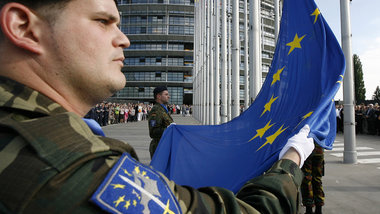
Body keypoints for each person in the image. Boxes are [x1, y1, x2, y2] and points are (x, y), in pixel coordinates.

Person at [0, 0, 314, 213]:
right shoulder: (68, 169)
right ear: (24, 27)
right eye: (103, 21)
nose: (124, 39)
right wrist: (292, 158)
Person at [148, 86, 174, 158]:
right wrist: (169, 129)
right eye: (166, 94)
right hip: (159, 148)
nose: (168, 96)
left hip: (164, 147)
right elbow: (153, 132)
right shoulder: (156, 110)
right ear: (159, 96)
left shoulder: (163, 109)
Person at [301, 142, 325, 214]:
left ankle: (309, 209)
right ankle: (319, 209)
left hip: (307, 149)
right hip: (319, 149)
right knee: (317, 179)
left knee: (307, 180)